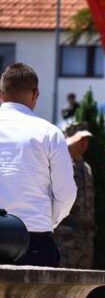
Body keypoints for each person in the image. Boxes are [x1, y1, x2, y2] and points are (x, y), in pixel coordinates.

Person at [0, 63, 77, 267]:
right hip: (33, 238)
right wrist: (45, 221)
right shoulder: (49, 133)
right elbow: (66, 193)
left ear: (1, 94)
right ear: (35, 93)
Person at [54, 123, 95, 269]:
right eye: (80, 139)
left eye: (86, 140)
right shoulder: (58, 163)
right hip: (65, 237)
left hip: (84, 237)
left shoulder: (86, 168)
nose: (84, 144)